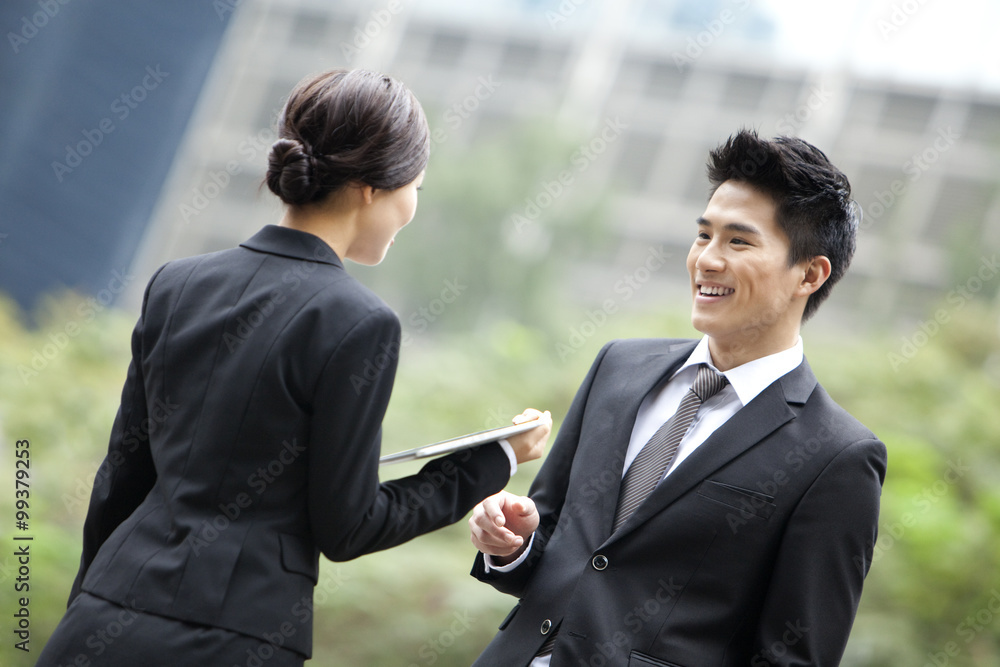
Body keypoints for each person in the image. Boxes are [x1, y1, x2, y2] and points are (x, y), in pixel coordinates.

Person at [37, 69, 551, 667]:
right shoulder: (359, 321)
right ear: (371, 186)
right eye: (416, 186)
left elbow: (120, 479)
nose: (412, 206)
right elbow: (350, 527)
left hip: (103, 611)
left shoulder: (177, 284)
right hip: (229, 637)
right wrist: (497, 458)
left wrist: (87, 605)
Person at [468, 129, 887, 666]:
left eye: (739, 241)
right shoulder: (617, 367)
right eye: (704, 235)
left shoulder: (837, 457)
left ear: (810, 273)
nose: (707, 260)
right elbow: (557, 542)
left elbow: (793, 657)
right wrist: (513, 544)